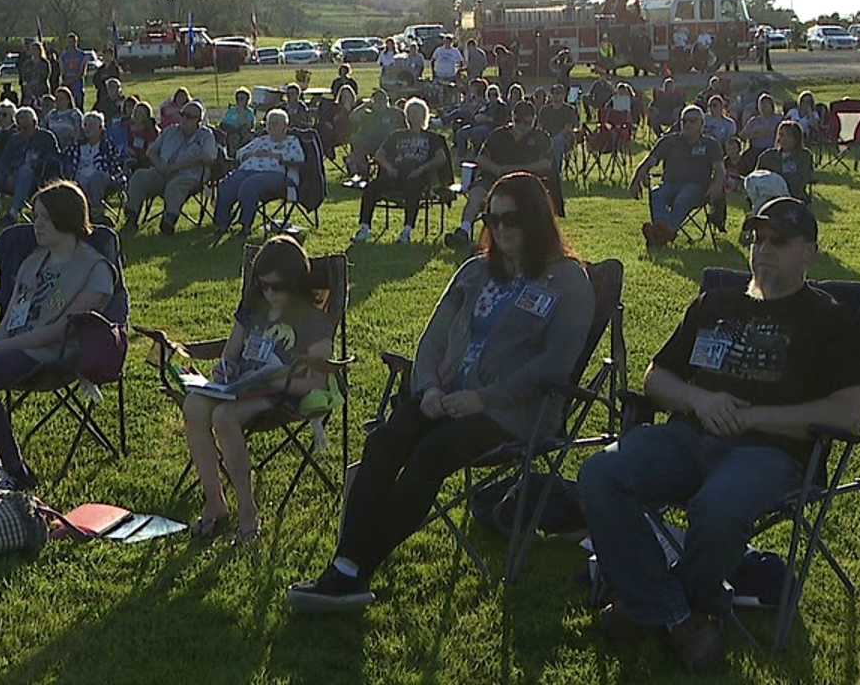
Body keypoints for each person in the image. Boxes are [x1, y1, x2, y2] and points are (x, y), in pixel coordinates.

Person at [578, 197, 860, 673]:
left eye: (779, 240)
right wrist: (700, 401)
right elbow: (657, 378)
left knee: (718, 509)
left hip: (769, 453)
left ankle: (650, 605)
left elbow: (848, 413)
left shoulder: (830, 319)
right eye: (757, 238)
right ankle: (681, 618)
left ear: (810, 252)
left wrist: (754, 418)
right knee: (600, 475)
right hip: (688, 436)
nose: (763, 249)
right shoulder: (716, 302)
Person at [287, 172, 593, 613]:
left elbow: (553, 367)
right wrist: (427, 387)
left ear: (538, 220)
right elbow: (432, 340)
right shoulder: (474, 271)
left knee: (430, 454)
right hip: (449, 397)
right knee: (384, 441)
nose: (501, 228)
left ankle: (353, 570)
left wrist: (484, 399)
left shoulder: (568, 282)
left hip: (517, 412)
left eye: (513, 219)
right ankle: (346, 569)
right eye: (493, 217)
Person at [0, 181, 115, 495]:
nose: (35, 224)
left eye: (43, 217)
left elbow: (60, 331)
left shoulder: (95, 269)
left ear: (65, 218)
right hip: (15, 346)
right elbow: (12, 314)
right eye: (34, 215)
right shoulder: (33, 262)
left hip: (56, 353)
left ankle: (15, 469)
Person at [183, 234, 333, 544]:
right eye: (262, 285)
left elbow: (319, 380)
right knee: (194, 405)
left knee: (224, 417)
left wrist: (277, 380)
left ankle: (248, 512)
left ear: (294, 283)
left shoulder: (312, 319)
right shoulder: (253, 303)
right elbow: (231, 349)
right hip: (241, 386)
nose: (268, 292)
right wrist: (224, 369)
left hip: (282, 393)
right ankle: (216, 501)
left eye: (276, 286)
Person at [448, 100, 553, 249]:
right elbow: (481, 158)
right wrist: (496, 168)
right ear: (512, 117)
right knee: (477, 193)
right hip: (494, 177)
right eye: (517, 120)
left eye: (526, 122)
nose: (521, 126)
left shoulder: (541, 138)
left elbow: (546, 163)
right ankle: (463, 231)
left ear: (534, 120)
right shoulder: (499, 135)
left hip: (526, 181)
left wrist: (519, 168)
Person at [630, 105, 727, 249]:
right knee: (657, 193)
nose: (687, 124)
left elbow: (720, 170)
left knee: (684, 196)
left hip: (697, 188)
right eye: (684, 121)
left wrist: (717, 185)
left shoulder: (710, 144)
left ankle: (662, 233)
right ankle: (663, 232)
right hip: (669, 185)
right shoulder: (669, 141)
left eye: (692, 121)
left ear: (702, 124)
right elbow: (649, 161)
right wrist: (637, 179)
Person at [353, 99, 447, 245]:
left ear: (423, 116)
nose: (411, 116)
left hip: (418, 176)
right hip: (395, 174)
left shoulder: (432, 138)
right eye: (409, 113)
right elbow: (379, 155)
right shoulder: (397, 135)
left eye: (415, 113)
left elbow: (441, 158)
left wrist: (421, 169)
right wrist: (389, 168)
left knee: (413, 188)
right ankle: (364, 228)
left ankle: (407, 231)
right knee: (371, 187)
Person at [125, 101, 217, 236]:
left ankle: (169, 220)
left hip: (189, 175)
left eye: (190, 116)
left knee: (176, 185)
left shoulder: (205, 135)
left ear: (199, 120)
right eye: (183, 114)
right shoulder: (170, 131)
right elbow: (151, 151)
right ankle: (131, 217)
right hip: (161, 171)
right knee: (140, 176)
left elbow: (208, 157)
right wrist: (160, 165)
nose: (184, 118)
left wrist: (178, 166)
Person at [212, 109, 304, 237]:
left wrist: (274, 155)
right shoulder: (261, 140)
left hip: (278, 175)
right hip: (248, 171)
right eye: (269, 123)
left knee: (250, 185)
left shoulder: (291, 141)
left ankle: (245, 225)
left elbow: (298, 158)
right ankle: (221, 223)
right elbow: (239, 154)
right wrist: (252, 154)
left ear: (285, 126)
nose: (271, 127)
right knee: (227, 184)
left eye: (275, 124)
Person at [0, 106, 62, 225]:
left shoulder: (46, 137)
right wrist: (7, 174)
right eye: (19, 128)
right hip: (10, 177)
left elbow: (55, 158)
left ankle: (13, 213)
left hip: (34, 180)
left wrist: (36, 164)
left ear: (35, 123)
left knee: (25, 170)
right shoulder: (14, 139)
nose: (23, 131)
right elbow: (3, 161)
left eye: (26, 128)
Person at [61, 111, 126, 219]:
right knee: (73, 183)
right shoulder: (77, 145)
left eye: (91, 125)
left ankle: (96, 213)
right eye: (85, 125)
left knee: (96, 177)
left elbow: (112, 168)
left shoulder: (107, 145)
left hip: (103, 179)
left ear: (100, 128)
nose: (87, 128)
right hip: (79, 179)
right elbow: (65, 160)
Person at [754, 119, 816, 206]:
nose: (784, 139)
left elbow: (802, 178)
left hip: (795, 198)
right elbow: (757, 178)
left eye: (789, 136)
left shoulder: (804, 155)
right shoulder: (767, 156)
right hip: (769, 199)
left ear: (796, 138)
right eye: (782, 135)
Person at [218, 87, 257, 154]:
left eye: (242, 99)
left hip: (243, 132)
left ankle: (237, 152)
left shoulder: (249, 112)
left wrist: (242, 112)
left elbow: (250, 126)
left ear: (247, 100)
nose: (239, 101)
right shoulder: (232, 110)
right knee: (232, 135)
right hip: (230, 130)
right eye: (237, 99)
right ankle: (233, 153)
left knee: (244, 132)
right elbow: (224, 123)